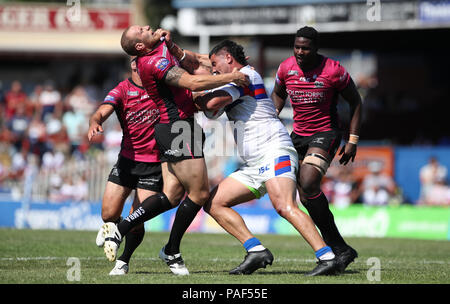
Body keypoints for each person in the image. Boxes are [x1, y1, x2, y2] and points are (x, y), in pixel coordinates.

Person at [99, 26, 250, 276]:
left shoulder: (160, 49)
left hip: (173, 127)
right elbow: (191, 81)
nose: (147, 27)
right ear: (140, 47)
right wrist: (230, 77)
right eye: (141, 29)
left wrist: (173, 46)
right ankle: (147, 240)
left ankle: (145, 241)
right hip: (179, 127)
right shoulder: (152, 62)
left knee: (170, 196)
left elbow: (196, 59)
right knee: (200, 193)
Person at [196, 40, 338, 276]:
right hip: (254, 164)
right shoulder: (235, 78)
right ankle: (256, 251)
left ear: (228, 58)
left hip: (274, 151)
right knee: (213, 203)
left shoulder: (244, 76)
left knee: (285, 206)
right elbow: (210, 110)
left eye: (215, 64)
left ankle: (327, 256)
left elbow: (210, 104)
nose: (213, 70)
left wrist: (191, 91)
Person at [271, 26, 362, 272]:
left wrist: (352, 140)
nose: (300, 52)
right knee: (304, 196)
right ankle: (340, 249)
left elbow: (355, 101)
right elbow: (278, 94)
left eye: (306, 48)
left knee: (309, 182)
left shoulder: (334, 70)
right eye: (297, 46)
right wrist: (271, 117)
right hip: (297, 136)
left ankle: (336, 250)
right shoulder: (285, 68)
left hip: (326, 133)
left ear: (316, 48)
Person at [88, 57, 181, 275]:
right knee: (108, 214)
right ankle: (115, 229)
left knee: (136, 220)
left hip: (154, 164)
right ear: (133, 65)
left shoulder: (162, 88)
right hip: (127, 161)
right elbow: (103, 109)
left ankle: (123, 261)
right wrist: (95, 121)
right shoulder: (122, 89)